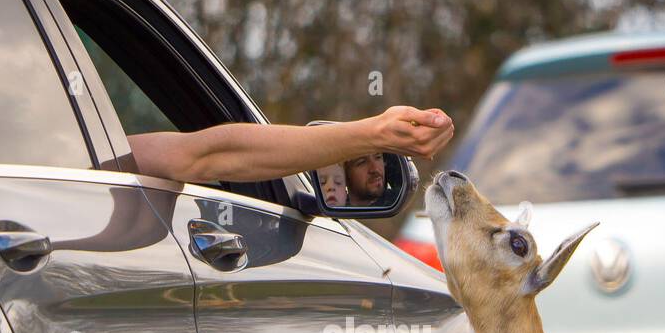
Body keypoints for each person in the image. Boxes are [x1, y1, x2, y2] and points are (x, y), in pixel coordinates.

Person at [126, 105, 453, 185]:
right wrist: (375, 134)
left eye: (377, 158)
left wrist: (378, 133)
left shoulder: (83, 152)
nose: (374, 169)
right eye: (360, 162)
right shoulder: (80, 155)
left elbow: (203, 155)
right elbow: (202, 156)